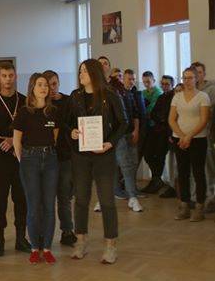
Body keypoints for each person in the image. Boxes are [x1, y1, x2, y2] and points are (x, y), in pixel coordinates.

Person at [65, 59, 128, 264]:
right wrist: (72, 132)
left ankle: (110, 246)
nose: (81, 74)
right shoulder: (75, 96)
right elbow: (67, 123)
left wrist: (110, 143)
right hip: (81, 156)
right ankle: (81, 241)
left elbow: (123, 123)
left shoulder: (110, 95)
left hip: (104, 155)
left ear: (94, 73)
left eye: (84, 71)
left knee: (107, 200)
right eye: (80, 71)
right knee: (81, 199)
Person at [0, 63, 29, 256]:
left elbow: (31, 129)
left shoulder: (25, 101)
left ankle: (21, 239)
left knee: (21, 200)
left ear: (15, 76)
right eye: (4, 75)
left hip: (20, 159)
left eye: (10, 75)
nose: (8, 79)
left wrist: (14, 141)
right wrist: (3, 141)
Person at [13, 74, 59, 264]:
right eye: (39, 84)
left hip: (50, 159)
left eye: (46, 85)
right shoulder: (24, 112)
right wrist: (22, 161)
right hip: (29, 160)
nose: (43, 88)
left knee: (49, 205)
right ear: (32, 87)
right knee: (33, 206)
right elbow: (16, 140)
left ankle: (46, 248)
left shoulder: (53, 111)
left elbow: (55, 137)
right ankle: (34, 248)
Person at [98, 58, 143, 212]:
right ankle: (103, 199)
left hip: (119, 133)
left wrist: (134, 129)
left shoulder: (118, 88)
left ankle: (132, 197)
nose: (103, 66)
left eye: (105, 63)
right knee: (104, 168)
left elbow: (131, 111)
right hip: (101, 134)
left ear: (109, 67)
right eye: (100, 63)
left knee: (126, 165)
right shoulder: (94, 87)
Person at [169, 67, 211, 222]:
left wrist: (189, 136)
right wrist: (182, 136)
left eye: (190, 78)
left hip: (198, 139)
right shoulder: (177, 97)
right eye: (184, 78)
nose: (187, 81)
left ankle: (199, 207)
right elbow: (171, 119)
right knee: (182, 172)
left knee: (198, 173)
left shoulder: (203, 96)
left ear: (196, 79)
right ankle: (184, 206)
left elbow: (204, 120)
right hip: (179, 139)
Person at [44, 70, 77, 246]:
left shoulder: (69, 101)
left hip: (65, 156)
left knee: (64, 196)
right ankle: (44, 233)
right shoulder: (41, 104)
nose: (51, 88)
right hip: (46, 157)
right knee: (46, 198)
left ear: (59, 83)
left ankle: (67, 230)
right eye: (48, 85)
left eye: (54, 84)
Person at [144, 75, 177, 197]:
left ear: (172, 85)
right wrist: (160, 118)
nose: (164, 86)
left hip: (166, 132)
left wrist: (162, 118)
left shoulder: (174, 97)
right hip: (156, 130)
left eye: (167, 84)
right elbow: (153, 113)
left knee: (160, 156)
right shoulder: (161, 97)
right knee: (147, 154)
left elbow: (168, 116)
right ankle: (157, 179)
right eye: (162, 84)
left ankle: (156, 181)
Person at [190, 62, 215, 212]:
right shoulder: (188, 90)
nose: (197, 75)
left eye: (199, 72)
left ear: (204, 74)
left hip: (206, 134)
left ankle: (210, 199)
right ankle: (195, 198)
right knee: (194, 169)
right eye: (194, 73)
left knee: (208, 168)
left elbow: (208, 113)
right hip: (190, 135)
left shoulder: (211, 90)